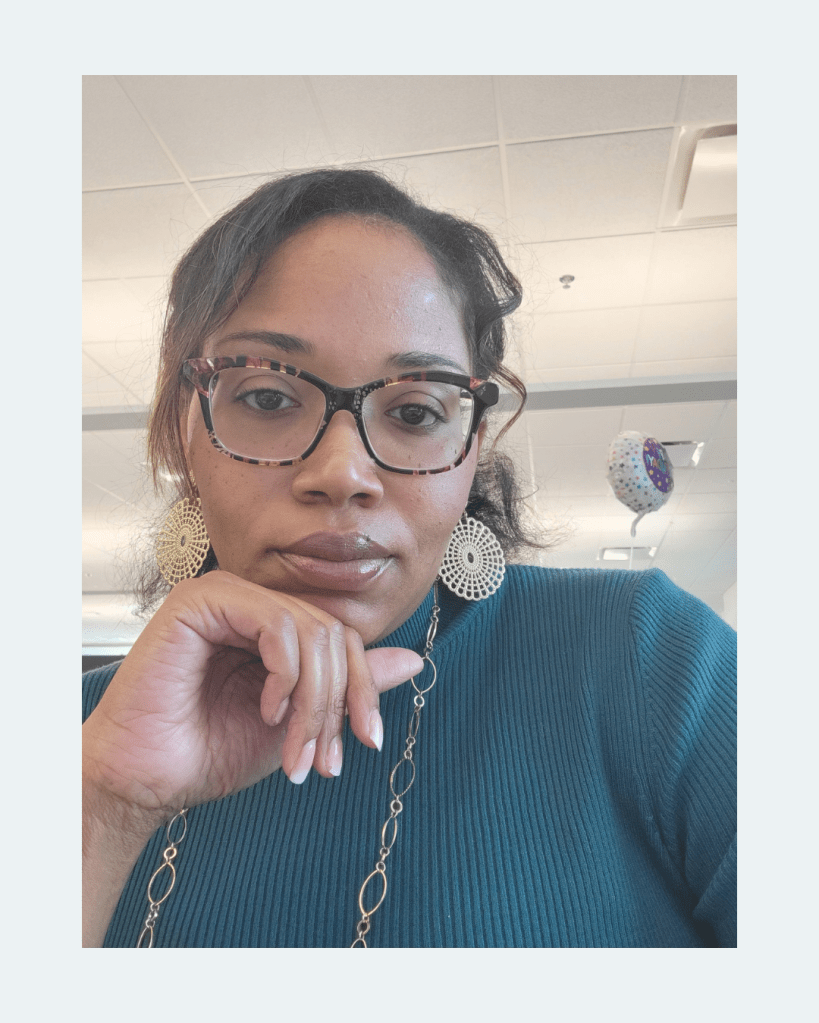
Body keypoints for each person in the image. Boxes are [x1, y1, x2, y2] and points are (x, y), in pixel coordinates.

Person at [82, 168, 736, 948]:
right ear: (180, 429)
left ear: (472, 446)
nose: (341, 474)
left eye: (416, 411)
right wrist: (103, 806)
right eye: (266, 396)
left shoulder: (650, 663)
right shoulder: (85, 731)